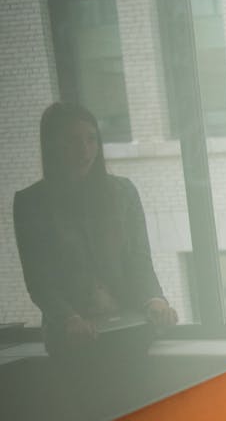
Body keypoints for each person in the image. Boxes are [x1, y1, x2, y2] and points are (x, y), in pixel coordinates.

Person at [13, 101, 177, 357]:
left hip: (130, 329)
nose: (85, 150)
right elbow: (39, 280)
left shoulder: (123, 192)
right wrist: (69, 318)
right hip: (72, 340)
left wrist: (154, 300)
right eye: (73, 141)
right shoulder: (31, 203)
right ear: (53, 146)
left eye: (91, 140)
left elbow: (140, 261)